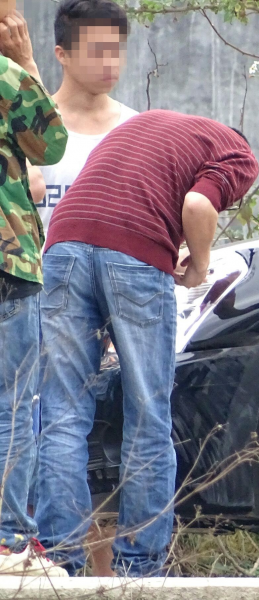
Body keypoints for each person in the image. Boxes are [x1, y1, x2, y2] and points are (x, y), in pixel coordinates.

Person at [36, 110, 258, 577]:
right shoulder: (237, 152)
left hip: (62, 243)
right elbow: (198, 205)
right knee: (148, 415)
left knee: (61, 415)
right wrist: (199, 265)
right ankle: (139, 567)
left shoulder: (146, 125)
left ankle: (61, 566)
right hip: (133, 254)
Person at [0, 5, 70, 577]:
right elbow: (51, 146)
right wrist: (26, 62)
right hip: (7, 264)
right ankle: (6, 539)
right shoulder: (5, 73)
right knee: (13, 406)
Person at [38, 0, 135, 227]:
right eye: (98, 51)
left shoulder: (137, 129)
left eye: (116, 50)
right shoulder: (29, 127)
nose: (110, 62)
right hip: (41, 262)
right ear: (62, 55)